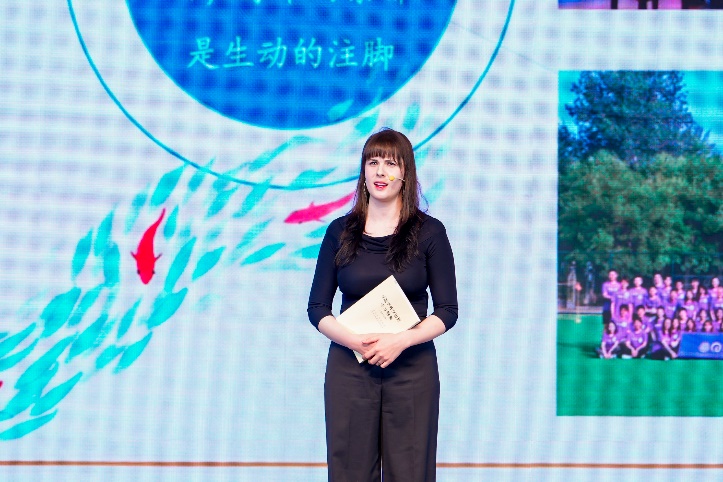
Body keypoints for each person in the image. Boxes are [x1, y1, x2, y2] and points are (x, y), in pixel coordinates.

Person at [307, 129, 458, 482]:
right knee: (350, 471)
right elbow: (317, 307)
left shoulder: (430, 232)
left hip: (412, 370)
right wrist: (356, 342)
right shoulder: (339, 231)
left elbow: (447, 311)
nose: (380, 172)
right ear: (363, 171)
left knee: (410, 471)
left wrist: (401, 341)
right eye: (372, 162)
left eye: (390, 163)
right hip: (349, 368)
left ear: (406, 173)